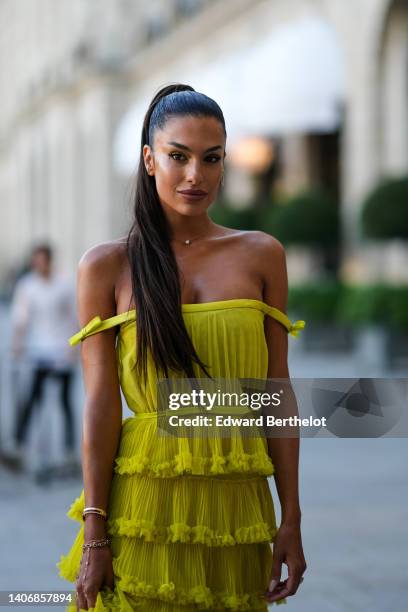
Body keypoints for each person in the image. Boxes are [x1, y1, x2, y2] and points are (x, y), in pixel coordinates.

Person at [57, 83, 307, 611]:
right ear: (150, 160)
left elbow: (275, 394)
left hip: (237, 509)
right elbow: (101, 405)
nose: (196, 175)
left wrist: (292, 517)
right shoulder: (107, 266)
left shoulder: (262, 254)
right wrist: (95, 533)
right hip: (142, 507)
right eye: (178, 157)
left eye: (211, 158)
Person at [9, 243, 78, 470]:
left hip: (62, 350)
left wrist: (73, 348)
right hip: (39, 351)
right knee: (31, 399)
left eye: (43, 260)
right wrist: (17, 346)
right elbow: (21, 319)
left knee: (65, 401)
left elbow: (73, 316)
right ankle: (20, 443)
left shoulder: (64, 284)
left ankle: (68, 449)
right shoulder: (27, 286)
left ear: (49, 260)